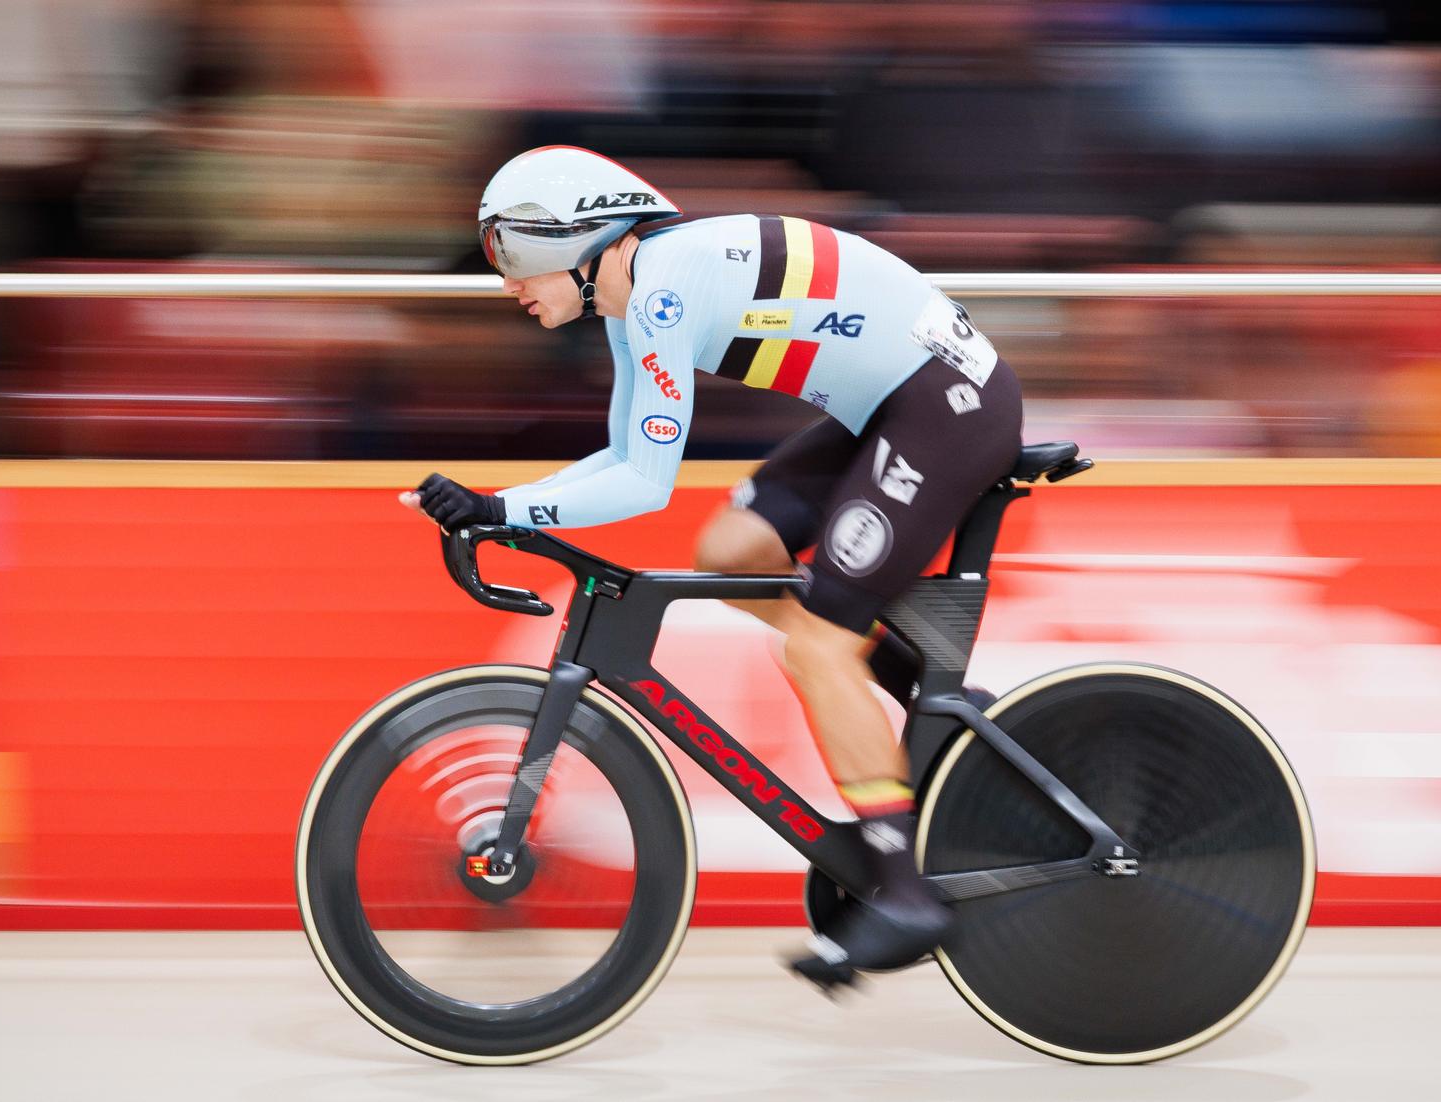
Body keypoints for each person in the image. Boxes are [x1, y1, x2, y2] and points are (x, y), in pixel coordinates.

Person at [402, 146, 1022, 990]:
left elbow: (643, 485)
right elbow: (623, 455)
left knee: (812, 647)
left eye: (512, 251)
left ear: (584, 237)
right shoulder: (636, 299)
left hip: (944, 406)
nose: (504, 280)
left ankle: (905, 890)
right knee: (731, 552)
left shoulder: (660, 288)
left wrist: (502, 509)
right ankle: (917, 684)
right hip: (891, 407)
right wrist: (500, 502)